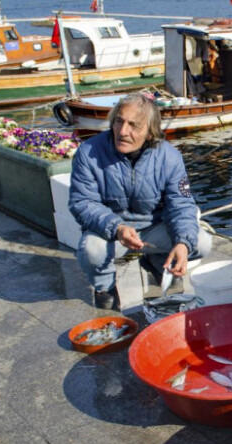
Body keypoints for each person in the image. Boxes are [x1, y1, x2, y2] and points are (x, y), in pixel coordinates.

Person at [69, 92, 212, 310]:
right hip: (112, 232)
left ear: (149, 132)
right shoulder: (89, 152)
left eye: (133, 125)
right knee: (90, 249)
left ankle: (156, 261)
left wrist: (183, 242)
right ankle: (105, 287)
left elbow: (181, 204)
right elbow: (82, 202)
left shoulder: (169, 156)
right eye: (119, 121)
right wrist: (117, 227)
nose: (122, 131)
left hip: (153, 228)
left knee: (200, 242)